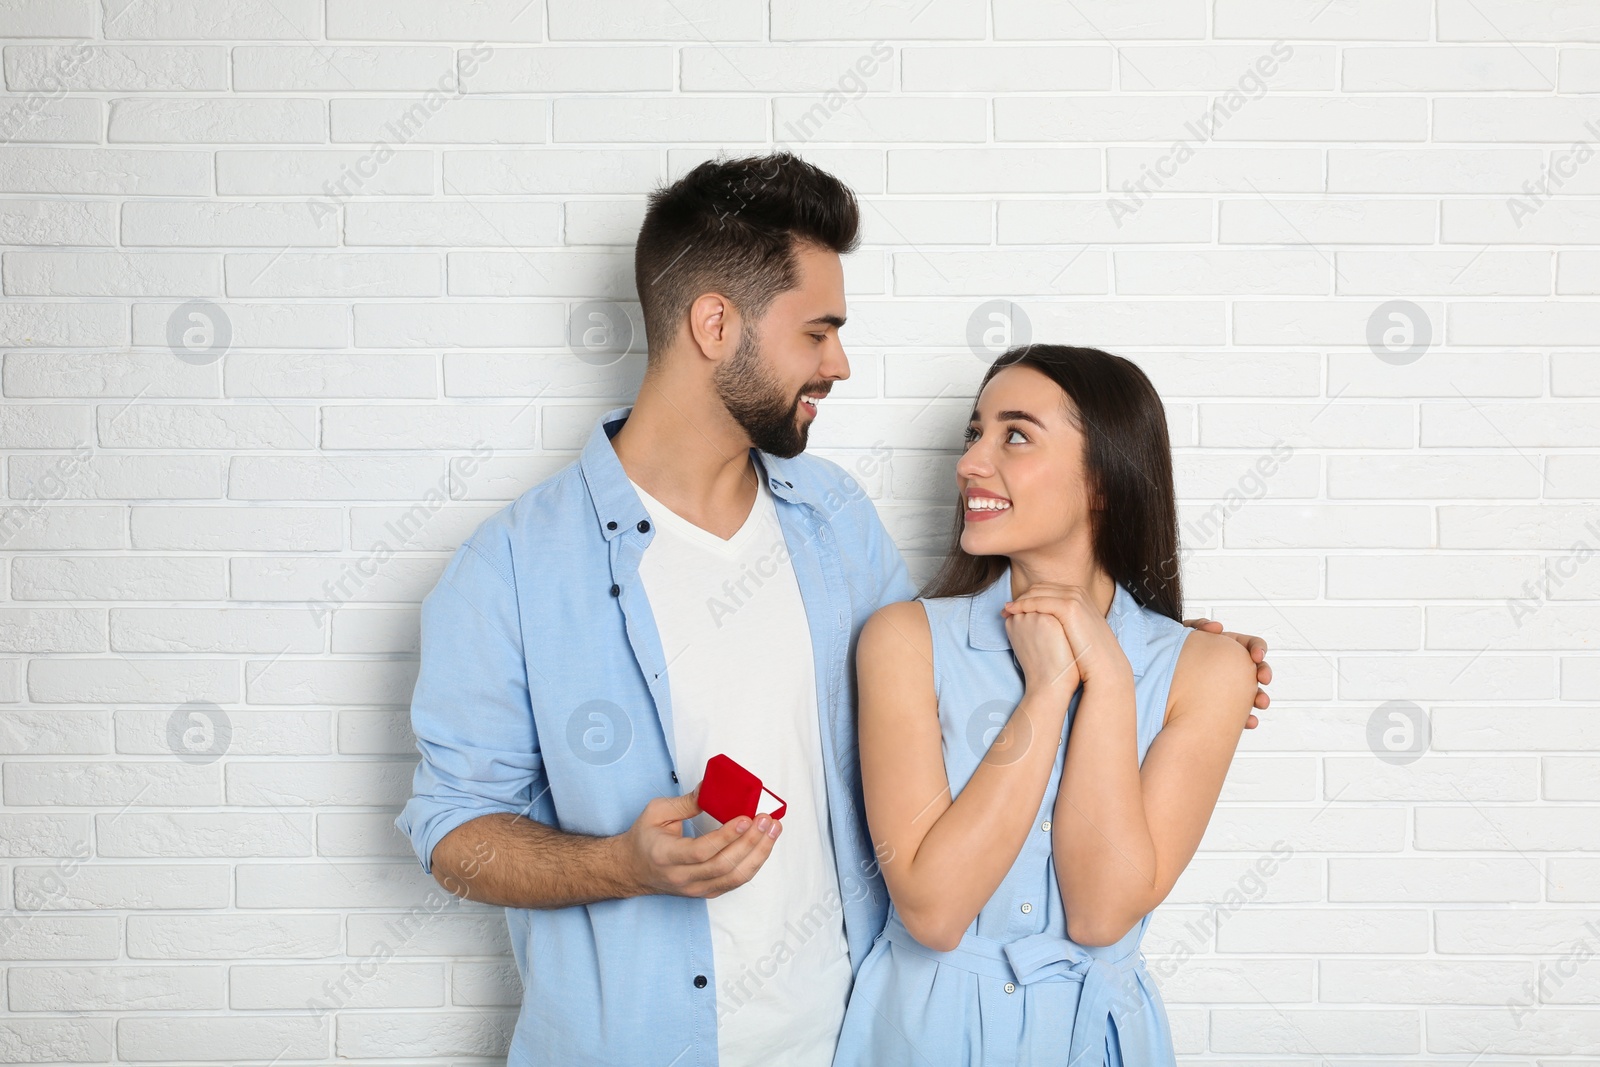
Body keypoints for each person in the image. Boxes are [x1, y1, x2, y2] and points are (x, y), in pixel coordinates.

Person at [395, 153, 1273, 1066]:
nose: (839, 363)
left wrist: (1165, 657)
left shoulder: (835, 521)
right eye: (818, 332)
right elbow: (453, 830)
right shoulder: (509, 569)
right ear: (713, 323)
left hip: (857, 1037)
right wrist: (621, 865)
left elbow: (964, 675)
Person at [832, 345, 1258, 1067]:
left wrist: (1111, 682)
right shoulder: (904, 640)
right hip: (925, 1034)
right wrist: (1050, 686)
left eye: (1015, 434)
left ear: (1103, 480)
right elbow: (933, 909)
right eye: (975, 433)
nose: (970, 461)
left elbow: (1099, 912)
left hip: (1094, 1038)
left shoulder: (1209, 668)